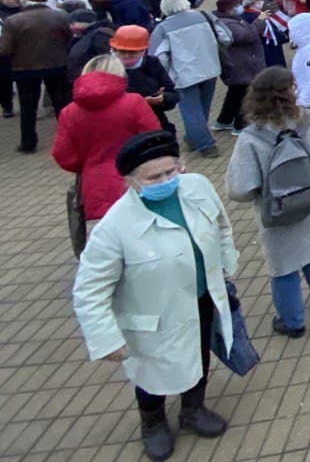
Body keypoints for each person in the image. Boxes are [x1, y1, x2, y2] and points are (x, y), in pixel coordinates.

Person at [72, 131, 238, 461]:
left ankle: (193, 409)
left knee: (199, 353)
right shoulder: (115, 227)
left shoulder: (197, 186)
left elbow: (221, 225)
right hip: (151, 317)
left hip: (200, 298)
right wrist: (105, 339)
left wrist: (226, 264)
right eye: (154, 177)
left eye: (170, 171)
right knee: (152, 374)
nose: (165, 180)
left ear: (180, 165)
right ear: (132, 181)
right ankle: (153, 423)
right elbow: (89, 289)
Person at [225, 68, 310, 338]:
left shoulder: (251, 137)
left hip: (277, 213)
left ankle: (293, 323)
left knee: (283, 266)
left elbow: (239, 189)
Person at [53, 54, 161, 226]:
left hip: (95, 186)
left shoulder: (69, 112)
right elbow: (155, 141)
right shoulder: (134, 102)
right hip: (138, 180)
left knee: (106, 244)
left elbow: (63, 155)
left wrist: (88, 163)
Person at [149, 0, 226, 158]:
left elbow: (158, 56)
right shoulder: (205, 16)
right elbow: (226, 37)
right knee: (202, 108)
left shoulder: (163, 28)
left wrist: (163, 76)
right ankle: (194, 138)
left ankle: (205, 144)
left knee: (192, 111)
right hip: (210, 68)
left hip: (184, 74)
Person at [0, 0, 73, 152]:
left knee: (28, 107)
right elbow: (69, 39)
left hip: (25, 69)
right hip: (57, 65)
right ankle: (69, 140)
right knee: (61, 104)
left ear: (24, 2)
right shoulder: (61, 15)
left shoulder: (13, 20)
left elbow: (5, 49)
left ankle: (28, 143)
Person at [211, 0, 265, 133]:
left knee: (235, 94)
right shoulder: (228, 23)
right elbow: (247, 36)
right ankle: (241, 125)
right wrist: (259, 21)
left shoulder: (229, 20)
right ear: (229, 8)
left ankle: (224, 120)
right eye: (237, 5)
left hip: (239, 62)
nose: (240, 7)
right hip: (241, 63)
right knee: (244, 94)